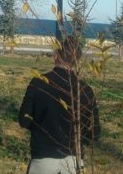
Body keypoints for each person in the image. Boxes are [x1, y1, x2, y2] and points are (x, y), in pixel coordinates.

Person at [17, 35, 100, 174]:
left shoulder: (38, 83)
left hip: (43, 158)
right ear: (78, 61)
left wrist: (41, 128)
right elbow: (95, 134)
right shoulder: (86, 91)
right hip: (74, 161)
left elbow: (23, 120)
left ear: (56, 56)